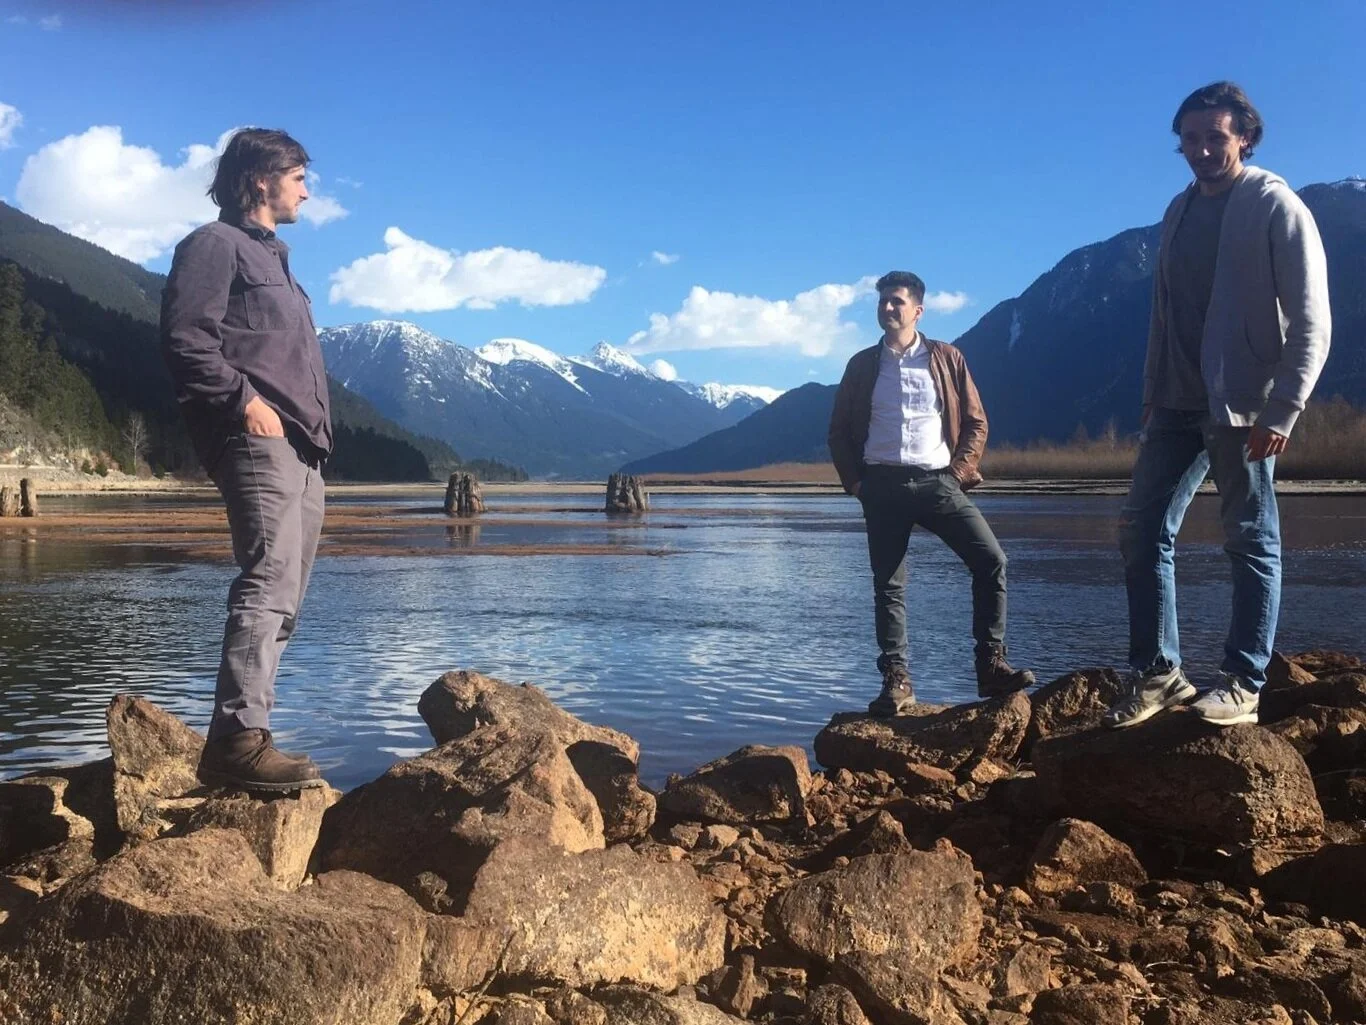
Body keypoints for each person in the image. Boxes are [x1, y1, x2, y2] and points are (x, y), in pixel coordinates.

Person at [1103, 82, 1331, 729]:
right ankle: (1159, 673)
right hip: (1176, 401)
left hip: (1243, 404)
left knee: (1250, 536)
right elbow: (1166, 312)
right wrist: (1152, 390)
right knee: (1141, 528)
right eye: (1191, 139)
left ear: (1245, 139)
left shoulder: (1274, 205)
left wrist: (1283, 409)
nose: (1202, 149)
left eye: (1216, 137)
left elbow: (1313, 319)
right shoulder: (1177, 212)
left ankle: (1244, 682)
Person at [161, 128, 333, 790]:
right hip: (259, 439)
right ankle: (236, 740)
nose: (306, 191)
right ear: (261, 178)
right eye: (298, 176)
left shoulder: (278, 262)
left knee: (285, 596)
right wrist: (246, 404)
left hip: (303, 448)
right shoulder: (214, 245)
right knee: (267, 581)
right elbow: (186, 341)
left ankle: (249, 734)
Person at [829, 271, 1035, 716]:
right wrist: (857, 484)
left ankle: (991, 665)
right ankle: (897, 680)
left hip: (938, 482)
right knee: (888, 586)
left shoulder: (946, 358)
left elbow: (976, 422)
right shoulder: (862, 365)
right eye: (882, 301)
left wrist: (957, 474)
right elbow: (839, 432)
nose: (887, 308)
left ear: (918, 310)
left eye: (896, 301)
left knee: (992, 560)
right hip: (881, 486)